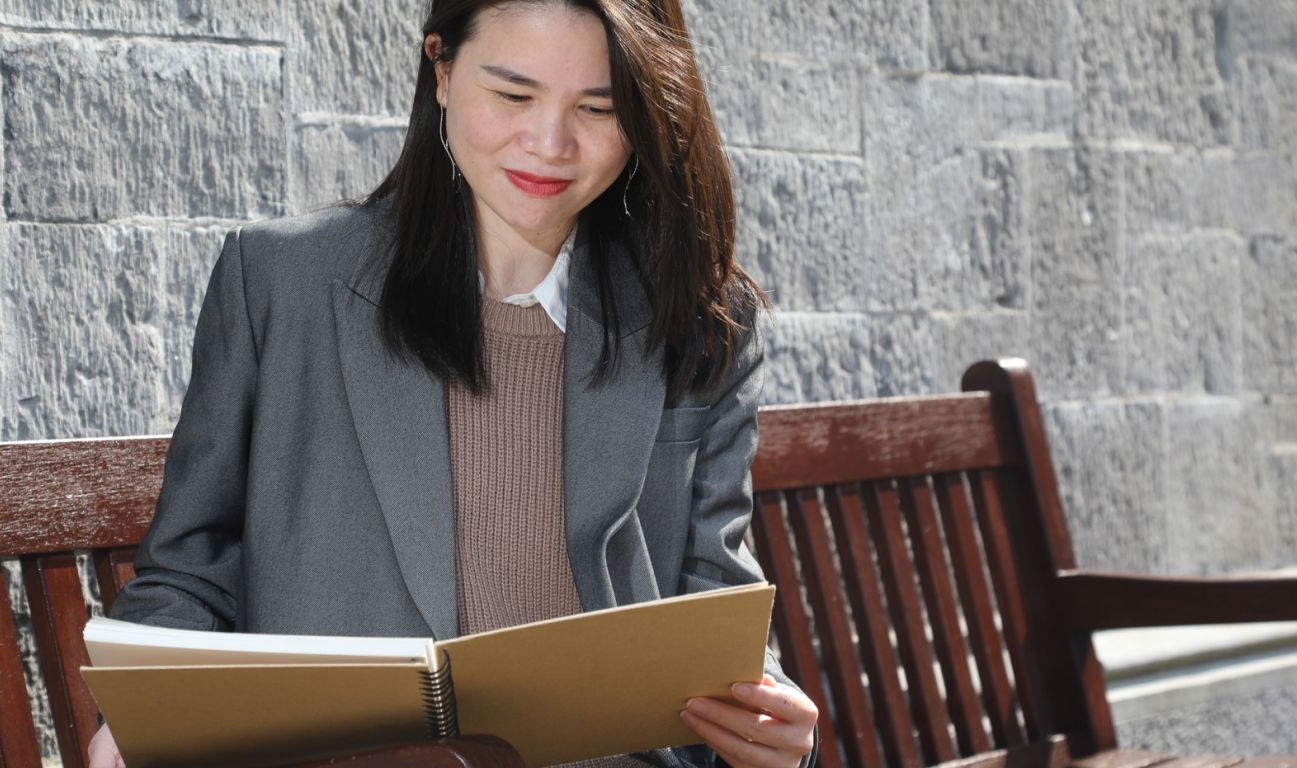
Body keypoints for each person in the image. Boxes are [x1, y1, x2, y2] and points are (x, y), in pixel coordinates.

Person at [84, 1, 818, 766]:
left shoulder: (701, 319)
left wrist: (772, 730)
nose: (549, 144)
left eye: (597, 108)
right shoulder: (279, 283)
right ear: (440, 69)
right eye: (512, 95)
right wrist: (138, 717)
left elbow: (715, 607)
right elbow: (189, 572)